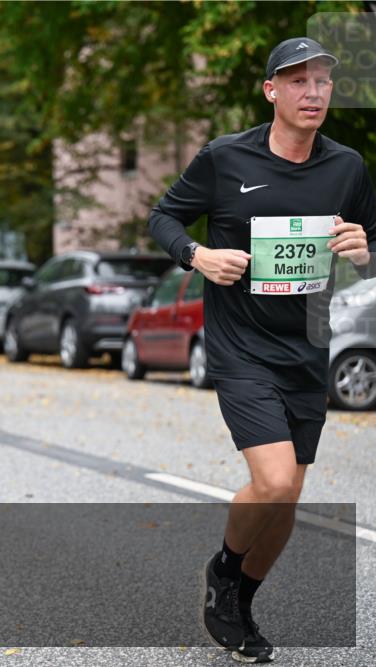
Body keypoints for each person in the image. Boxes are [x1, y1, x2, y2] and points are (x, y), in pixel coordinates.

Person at [148, 37, 375, 664]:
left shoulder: (347, 167)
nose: (313, 93)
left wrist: (363, 250)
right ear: (271, 91)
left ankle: (238, 601)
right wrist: (199, 255)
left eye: (323, 82)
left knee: (287, 503)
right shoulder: (226, 158)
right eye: (297, 81)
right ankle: (225, 570)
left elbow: (370, 245)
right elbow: (163, 217)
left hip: (307, 346)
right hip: (240, 346)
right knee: (272, 482)